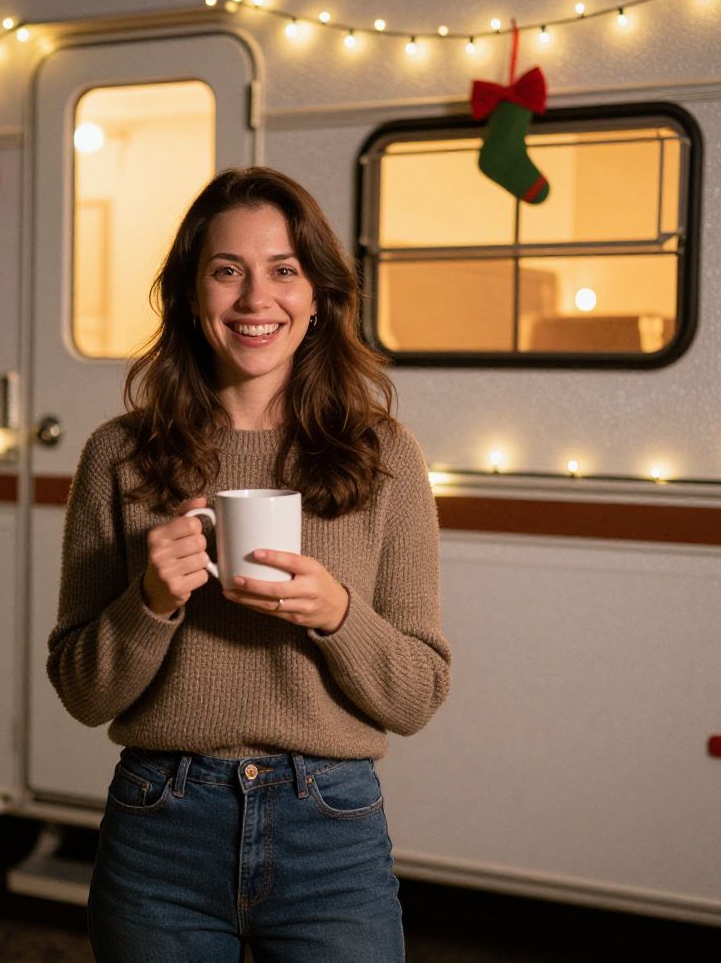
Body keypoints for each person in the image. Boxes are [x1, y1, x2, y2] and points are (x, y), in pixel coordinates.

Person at [47, 166, 450, 962]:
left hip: (330, 831)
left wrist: (337, 615)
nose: (255, 299)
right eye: (227, 271)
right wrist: (150, 602)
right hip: (160, 824)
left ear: (319, 296)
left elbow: (417, 694)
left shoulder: (384, 457)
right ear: (193, 296)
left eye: (284, 271)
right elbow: (81, 692)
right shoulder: (117, 456)